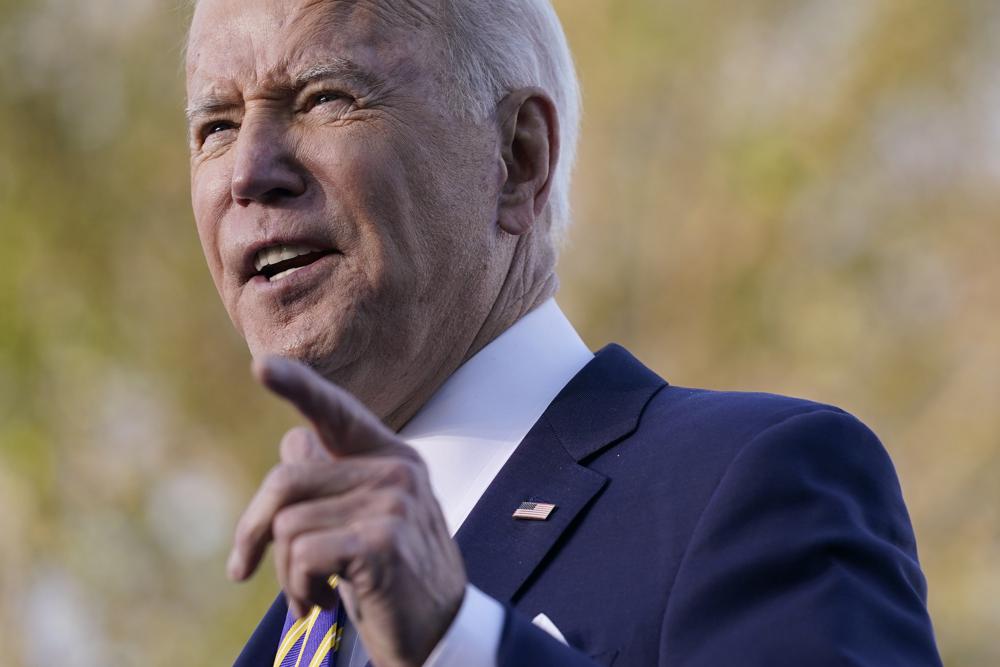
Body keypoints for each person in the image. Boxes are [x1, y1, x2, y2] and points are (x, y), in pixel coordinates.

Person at [184, 0, 943, 665]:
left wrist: (458, 642)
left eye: (325, 97)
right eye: (216, 125)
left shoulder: (753, 482)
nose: (248, 171)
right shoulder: (290, 634)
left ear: (519, 158)